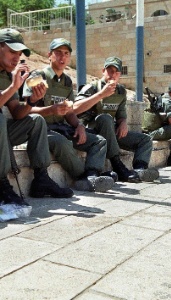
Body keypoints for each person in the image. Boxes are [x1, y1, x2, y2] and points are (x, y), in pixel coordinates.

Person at [22, 38, 116, 193]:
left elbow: (70, 110)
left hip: (61, 127)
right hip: (41, 131)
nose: (62, 57)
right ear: (49, 55)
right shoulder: (38, 77)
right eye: (58, 53)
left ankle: (92, 174)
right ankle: (83, 177)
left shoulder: (66, 81)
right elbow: (26, 110)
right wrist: (51, 110)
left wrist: (78, 125)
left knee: (98, 141)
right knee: (62, 142)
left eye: (66, 53)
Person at [0, 28, 74, 204]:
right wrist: (13, 87)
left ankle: (41, 179)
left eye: (19, 53)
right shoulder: (11, 80)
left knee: (36, 121)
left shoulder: (8, 76)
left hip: (3, 134)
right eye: (12, 51)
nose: (16, 58)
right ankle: (2, 184)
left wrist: (32, 101)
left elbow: (18, 113)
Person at [73, 56, 159, 182]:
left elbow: (121, 114)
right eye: (110, 70)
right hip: (92, 131)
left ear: (119, 74)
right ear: (103, 71)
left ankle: (140, 170)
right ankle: (117, 163)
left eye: (116, 72)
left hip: (111, 132)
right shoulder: (92, 87)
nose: (113, 74)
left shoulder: (120, 91)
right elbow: (74, 109)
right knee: (105, 118)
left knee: (145, 140)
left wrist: (123, 122)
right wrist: (101, 94)